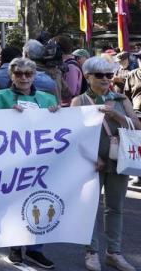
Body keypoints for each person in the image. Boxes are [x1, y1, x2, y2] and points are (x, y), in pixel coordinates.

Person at [0, 57, 58, 268]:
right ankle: (16, 247)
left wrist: (58, 114)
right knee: (15, 203)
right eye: (19, 74)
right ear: (11, 76)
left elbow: (61, 127)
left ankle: (36, 249)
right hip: (13, 160)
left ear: (35, 75)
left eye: (28, 74)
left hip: (41, 160)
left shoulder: (47, 99)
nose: (24, 78)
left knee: (41, 201)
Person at [72, 56, 139, 271]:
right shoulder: (79, 101)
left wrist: (117, 117)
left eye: (109, 75)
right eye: (99, 75)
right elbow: (75, 136)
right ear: (87, 76)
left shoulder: (121, 100)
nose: (105, 79)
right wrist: (94, 158)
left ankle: (114, 253)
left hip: (120, 160)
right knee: (90, 208)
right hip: (92, 163)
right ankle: (91, 252)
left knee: (115, 207)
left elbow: (137, 127)